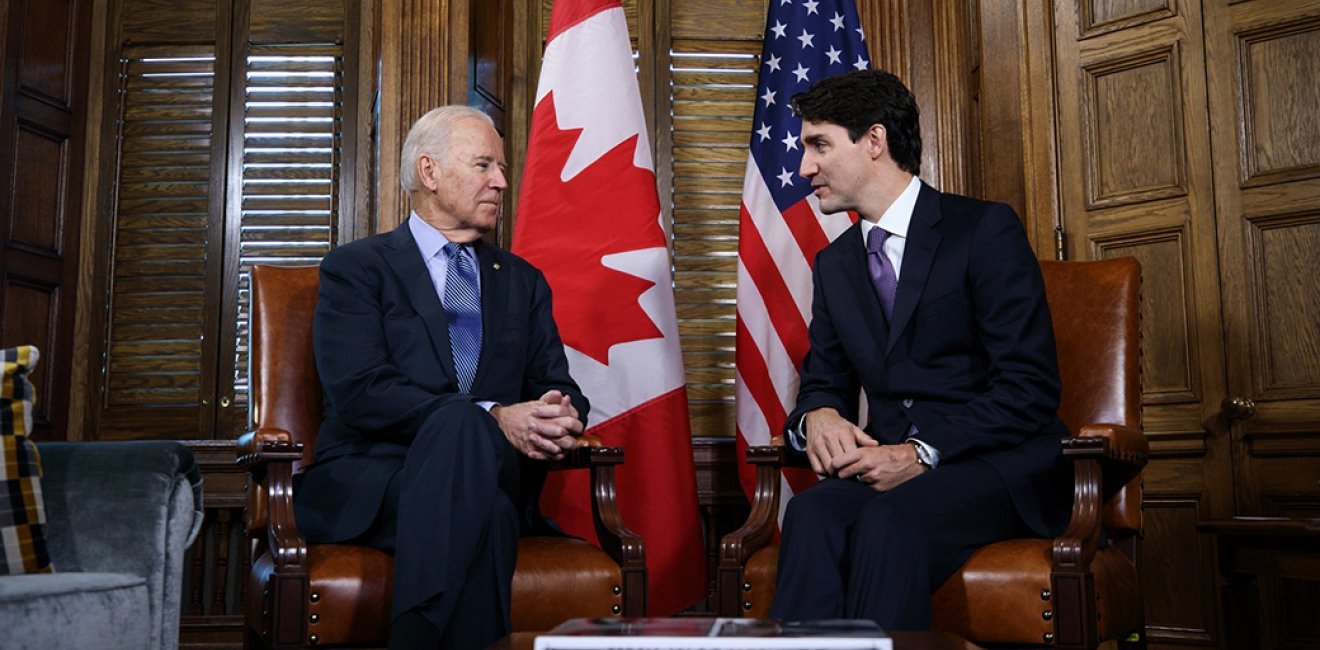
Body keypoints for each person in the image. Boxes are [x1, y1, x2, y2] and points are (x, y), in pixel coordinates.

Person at [769, 69, 1072, 630]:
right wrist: (820, 414)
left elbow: (1029, 388)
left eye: (819, 145)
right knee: (811, 512)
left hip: (993, 468)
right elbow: (823, 380)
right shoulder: (834, 265)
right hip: (889, 471)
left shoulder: (983, 230)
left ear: (875, 141)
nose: (804, 166)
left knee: (890, 523)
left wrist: (920, 452)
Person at [293, 105, 589, 649]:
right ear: (429, 173)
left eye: (501, 167)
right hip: (377, 481)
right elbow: (359, 392)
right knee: (487, 503)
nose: (501, 181)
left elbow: (558, 382)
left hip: (485, 475)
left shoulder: (522, 281)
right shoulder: (358, 268)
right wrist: (492, 417)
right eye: (484, 165)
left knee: (474, 468)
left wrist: (557, 411)